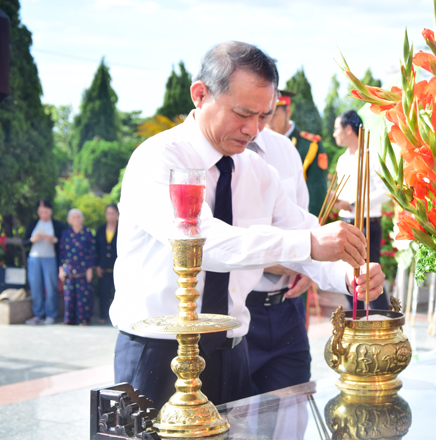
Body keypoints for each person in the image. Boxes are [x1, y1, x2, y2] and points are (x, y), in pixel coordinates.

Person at [110, 41, 386, 410]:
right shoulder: (157, 159)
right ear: (200, 94)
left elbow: (301, 230)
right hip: (158, 354)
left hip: (231, 353)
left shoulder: (258, 172)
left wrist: (348, 276)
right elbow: (204, 244)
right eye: (243, 114)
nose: (253, 130)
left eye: (264, 116)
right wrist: (308, 242)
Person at [243, 123, 317, 395]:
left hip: (287, 308)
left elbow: (302, 225)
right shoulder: (209, 155)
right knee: (237, 426)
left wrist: (311, 265)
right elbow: (219, 242)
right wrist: (304, 256)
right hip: (237, 310)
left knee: (292, 417)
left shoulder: (285, 149)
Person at [333, 110, 390, 311]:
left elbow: (387, 192)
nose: (334, 134)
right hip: (346, 224)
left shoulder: (371, 155)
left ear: (349, 130)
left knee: (370, 278)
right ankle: (354, 326)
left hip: (367, 225)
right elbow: (344, 195)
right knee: (347, 279)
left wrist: (354, 204)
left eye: (336, 129)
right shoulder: (341, 160)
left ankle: (384, 328)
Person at [266, 90, 328, 217]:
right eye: (264, 115)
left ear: (288, 111)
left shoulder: (311, 146)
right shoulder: (259, 141)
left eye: (273, 115)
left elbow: (317, 196)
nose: (268, 122)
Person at [23, 200, 66, 325]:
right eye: (41, 211)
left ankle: (51, 314)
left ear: (50, 211)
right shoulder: (33, 224)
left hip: (50, 258)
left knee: (51, 287)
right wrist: (33, 239)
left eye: (46, 211)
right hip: (34, 259)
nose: (44, 214)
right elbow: (24, 242)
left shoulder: (57, 225)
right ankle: (38, 314)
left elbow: (63, 242)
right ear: (38, 212)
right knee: (35, 287)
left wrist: (53, 239)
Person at [59, 209, 96, 326]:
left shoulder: (87, 233)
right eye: (73, 217)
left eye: (78, 217)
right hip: (68, 269)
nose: (76, 219)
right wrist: (60, 269)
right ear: (69, 220)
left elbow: (92, 252)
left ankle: (83, 320)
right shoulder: (65, 233)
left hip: (83, 269)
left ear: (82, 219)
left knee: (83, 296)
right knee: (69, 296)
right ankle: (69, 320)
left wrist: (90, 269)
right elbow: (61, 252)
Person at [96, 203, 119, 324]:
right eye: (108, 213)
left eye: (113, 213)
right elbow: (97, 249)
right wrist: (97, 265)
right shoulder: (100, 229)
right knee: (103, 294)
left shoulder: (122, 228)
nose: (110, 216)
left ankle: (119, 316)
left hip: (118, 267)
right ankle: (102, 316)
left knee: (118, 293)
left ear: (118, 214)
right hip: (103, 267)